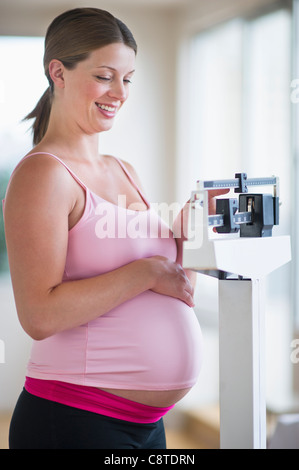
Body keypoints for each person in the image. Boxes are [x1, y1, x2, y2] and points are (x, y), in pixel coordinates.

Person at [3, 7, 220, 449]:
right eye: (105, 76)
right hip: (75, 419)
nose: (119, 92)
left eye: (128, 78)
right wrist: (148, 272)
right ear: (58, 72)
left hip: (147, 425)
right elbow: (39, 316)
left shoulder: (124, 170)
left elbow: (179, 287)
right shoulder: (43, 174)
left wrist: (188, 234)